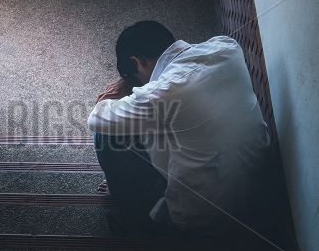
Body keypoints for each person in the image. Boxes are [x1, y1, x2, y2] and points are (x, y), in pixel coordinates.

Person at [88, 21, 273, 237]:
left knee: (105, 137)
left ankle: (137, 221)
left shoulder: (163, 93)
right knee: (173, 125)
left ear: (136, 63)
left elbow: (97, 119)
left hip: (202, 213)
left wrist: (117, 93)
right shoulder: (228, 47)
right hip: (257, 188)